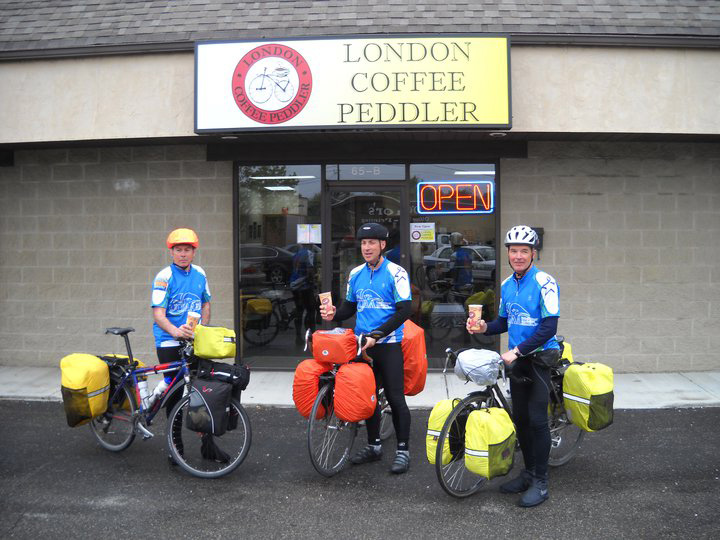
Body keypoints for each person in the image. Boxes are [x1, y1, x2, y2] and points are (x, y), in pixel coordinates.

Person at [466, 225, 560, 507]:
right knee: (520, 420)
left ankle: (541, 483)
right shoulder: (507, 285)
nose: (518, 256)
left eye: (524, 251)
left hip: (539, 358)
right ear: (508, 253)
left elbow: (548, 327)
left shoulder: (546, 282)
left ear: (533, 254)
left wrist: (517, 351)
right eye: (513, 251)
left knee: (536, 420)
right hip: (517, 361)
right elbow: (504, 323)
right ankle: (528, 473)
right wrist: (484, 326)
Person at [320, 222, 413, 474]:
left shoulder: (397, 273)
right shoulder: (355, 274)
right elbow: (349, 308)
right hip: (363, 346)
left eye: (372, 242)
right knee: (367, 398)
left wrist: (379, 333)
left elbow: (405, 310)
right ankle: (374, 446)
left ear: (383, 245)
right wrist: (333, 313)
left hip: (388, 344)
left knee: (395, 398)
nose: (367, 247)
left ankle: (403, 451)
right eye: (363, 243)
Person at [151, 228, 222, 463]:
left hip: (194, 340)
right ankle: (176, 447)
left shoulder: (200, 273)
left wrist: (201, 330)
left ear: (194, 252)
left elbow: (206, 304)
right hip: (169, 340)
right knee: (173, 393)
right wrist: (176, 331)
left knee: (202, 391)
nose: (183, 254)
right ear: (171, 252)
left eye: (187, 250)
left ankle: (208, 446)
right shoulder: (164, 276)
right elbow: (159, 315)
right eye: (178, 250)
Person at [289, 243, 318, 344]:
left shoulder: (296, 254)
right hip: (304, 286)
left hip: (294, 285)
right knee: (311, 310)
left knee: (299, 311)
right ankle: (311, 336)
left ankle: (298, 336)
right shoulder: (309, 253)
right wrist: (314, 282)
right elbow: (309, 269)